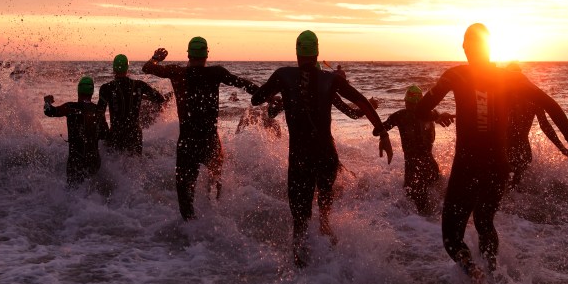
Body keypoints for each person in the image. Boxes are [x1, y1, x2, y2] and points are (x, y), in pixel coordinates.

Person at [414, 24, 568, 284]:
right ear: (490, 48)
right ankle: (493, 272)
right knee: (485, 222)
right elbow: (549, 103)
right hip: (498, 165)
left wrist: (436, 115)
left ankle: (473, 274)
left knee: (452, 237)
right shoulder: (509, 78)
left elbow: (420, 110)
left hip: (468, 164)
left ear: (464, 47)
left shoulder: (455, 75)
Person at [251, 30, 393, 267]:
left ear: (297, 52)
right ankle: (330, 261)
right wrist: (382, 133)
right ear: (317, 52)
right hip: (327, 155)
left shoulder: (283, 75)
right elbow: (361, 103)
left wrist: (279, 96)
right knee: (324, 216)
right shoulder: (330, 79)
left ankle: (302, 269)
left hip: (300, 158)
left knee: (300, 220)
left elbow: (256, 99)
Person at [143, 37, 259, 220]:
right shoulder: (215, 73)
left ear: (188, 55)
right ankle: (217, 227)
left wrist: (156, 57)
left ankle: (190, 232)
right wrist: (268, 97)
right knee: (216, 185)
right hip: (210, 140)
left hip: (187, 142)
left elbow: (147, 67)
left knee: (185, 194)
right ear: (207, 55)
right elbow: (243, 83)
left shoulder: (177, 72)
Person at [504, 62, 568, 189]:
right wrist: (563, 149)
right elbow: (545, 127)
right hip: (524, 150)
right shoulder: (533, 98)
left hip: (505, 147)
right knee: (516, 187)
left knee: (505, 189)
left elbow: (545, 126)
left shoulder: (504, 97)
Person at [380, 85, 454, 216]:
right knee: (437, 206)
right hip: (431, 166)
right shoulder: (432, 114)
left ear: (406, 101)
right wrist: (443, 115)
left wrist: (383, 138)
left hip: (413, 168)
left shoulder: (400, 116)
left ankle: (420, 230)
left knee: (415, 211)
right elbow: (441, 117)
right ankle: (432, 230)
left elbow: (377, 130)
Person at [97, 54, 167, 155]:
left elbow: (100, 113)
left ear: (113, 69)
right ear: (127, 68)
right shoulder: (139, 85)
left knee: (115, 166)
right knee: (136, 166)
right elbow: (160, 99)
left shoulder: (106, 88)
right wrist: (140, 96)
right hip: (135, 134)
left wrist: (105, 133)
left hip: (116, 133)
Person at [43, 77, 106, 187]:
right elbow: (104, 134)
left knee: (74, 193)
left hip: (76, 159)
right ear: (92, 92)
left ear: (78, 90)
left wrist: (47, 102)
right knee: (91, 192)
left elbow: (49, 111)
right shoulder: (99, 110)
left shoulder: (70, 107)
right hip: (94, 159)